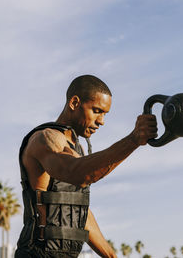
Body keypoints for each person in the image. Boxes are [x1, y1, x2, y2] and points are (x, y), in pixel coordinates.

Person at [15, 75, 157, 258]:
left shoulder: (77, 148)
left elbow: (79, 212)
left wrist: (111, 256)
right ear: (74, 103)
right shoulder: (44, 139)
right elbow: (75, 172)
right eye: (97, 110)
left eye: (105, 114)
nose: (101, 121)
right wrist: (134, 139)